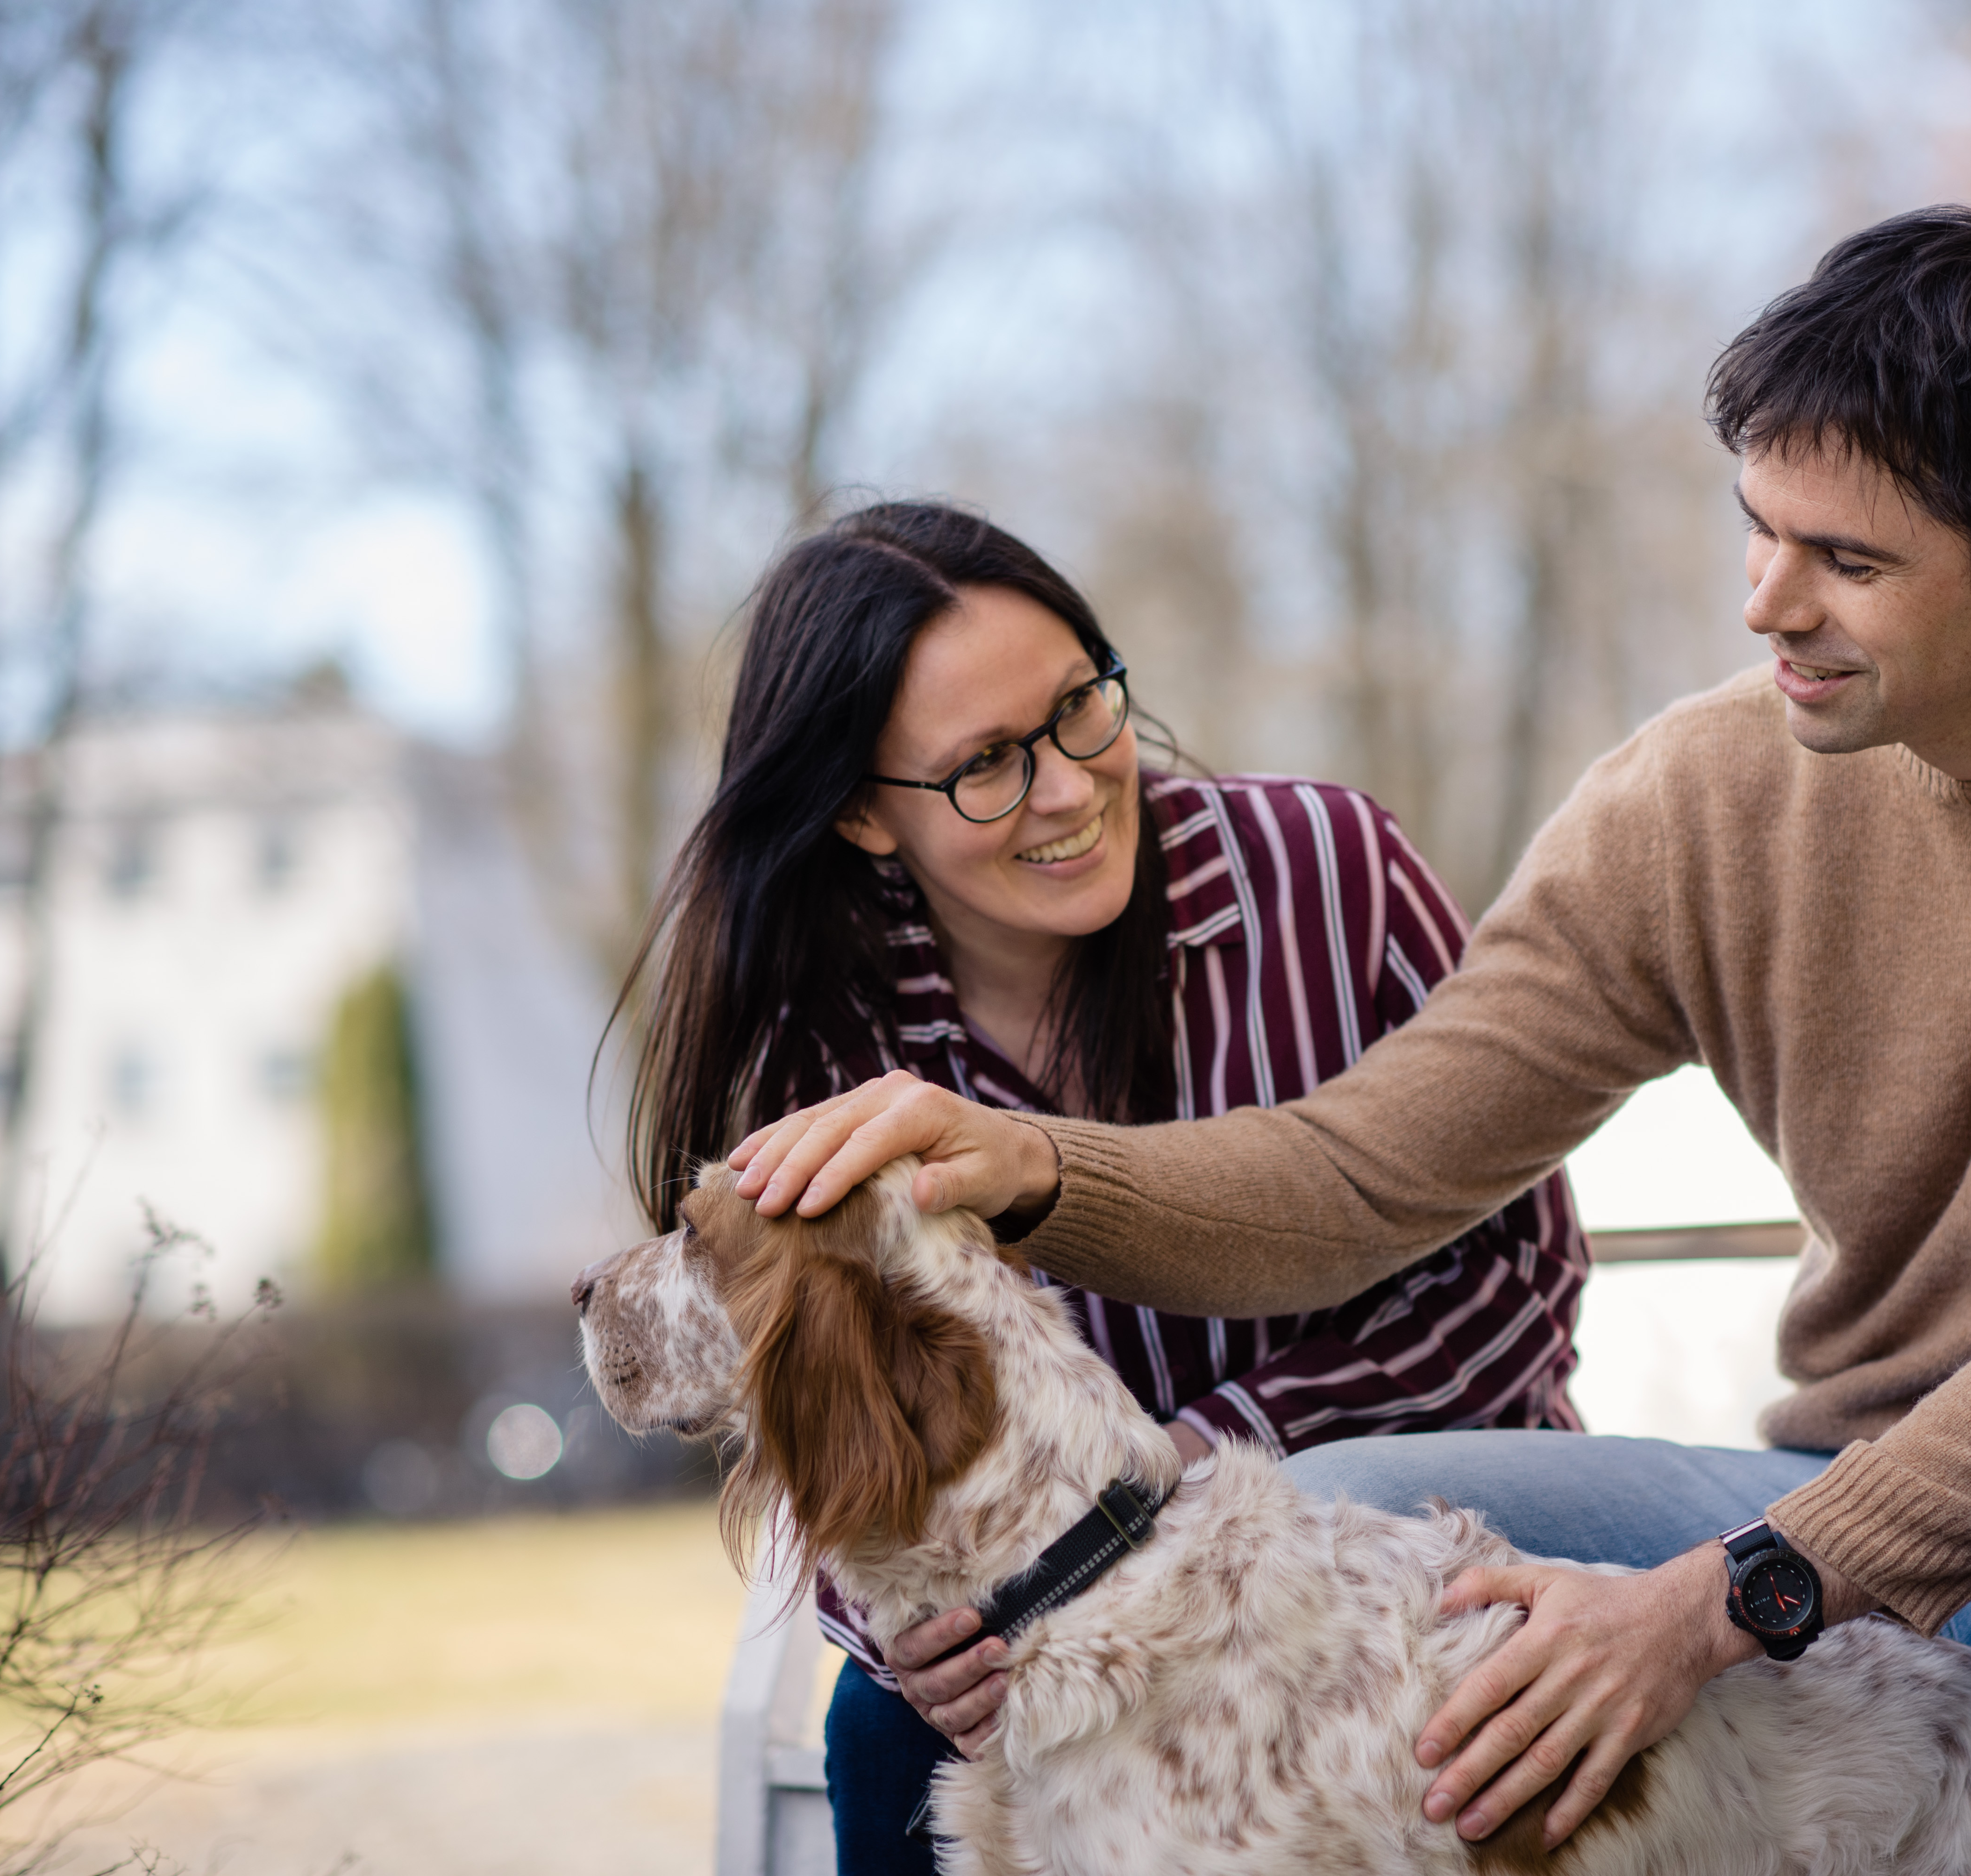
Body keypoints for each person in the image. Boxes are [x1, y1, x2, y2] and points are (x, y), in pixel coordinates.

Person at [732, 209, 1971, 1876]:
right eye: (1757, 526)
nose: (1767, 603)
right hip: (1842, 1512)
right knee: (1342, 1503)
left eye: (1849, 561)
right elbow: (1372, 1167)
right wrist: (1043, 1169)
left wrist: (1717, 1605)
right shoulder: (1700, 794)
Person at [618, 500, 1591, 1873]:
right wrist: (916, 1640)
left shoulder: (1334, 873)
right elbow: (827, 1392)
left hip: (1416, 1537)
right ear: (857, 813)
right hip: (1053, 1630)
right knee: (885, 1740)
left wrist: (1186, 1484)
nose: (1073, 787)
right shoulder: (824, 1045)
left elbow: (1522, 1283)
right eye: (988, 767)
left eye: (1083, 708)